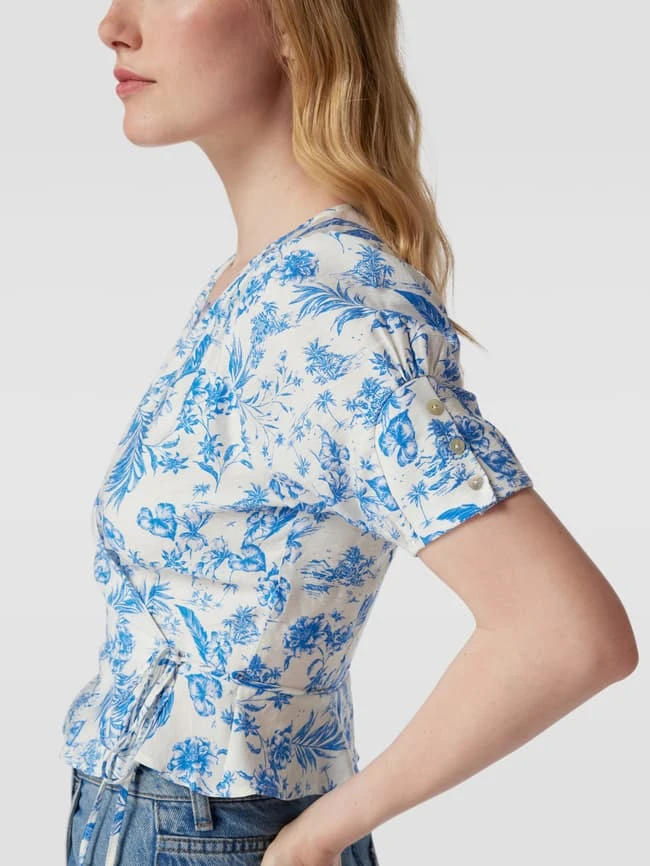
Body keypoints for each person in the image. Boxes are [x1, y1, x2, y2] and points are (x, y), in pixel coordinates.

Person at [61, 1, 639, 865]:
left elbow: (564, 632)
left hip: (208, 834)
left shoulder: (320, 319)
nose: (113, 24)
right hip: (167, 822)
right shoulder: (260, 282)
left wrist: (314, 841)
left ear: (295, 24)